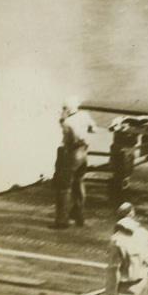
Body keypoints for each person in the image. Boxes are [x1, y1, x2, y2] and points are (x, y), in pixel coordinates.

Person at [55, 96, 97, 229]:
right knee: (79, 183)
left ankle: (62, 220)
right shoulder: (84, 115)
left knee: (64, 188)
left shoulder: (68, 122)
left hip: (72, 154)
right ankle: (78, 215)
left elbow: (73, 139)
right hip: (84, 154)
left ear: (67, 108)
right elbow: (94, 129)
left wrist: (64, 122)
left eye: (64, 108)